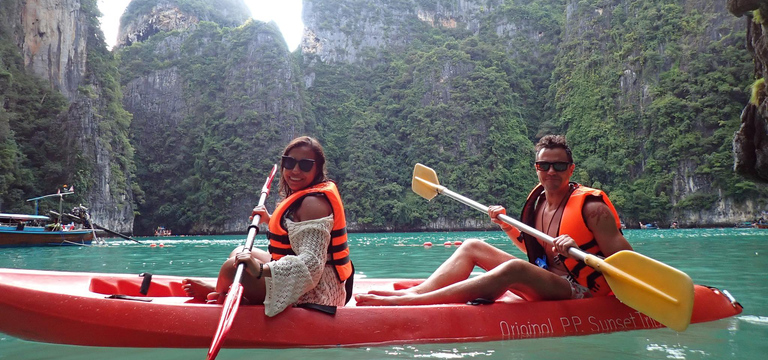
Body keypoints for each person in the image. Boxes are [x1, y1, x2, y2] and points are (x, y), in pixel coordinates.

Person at [356, 134, 631, 306]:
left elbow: (628, 263)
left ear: (570, 169)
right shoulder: (538, 202)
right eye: (543, 165)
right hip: (548, 279)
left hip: (581, 291)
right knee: (472, 245)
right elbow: (534, 251)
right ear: (536, 169)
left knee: (515, 269)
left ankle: (417, 302)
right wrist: (506, 224)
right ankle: (416, 293)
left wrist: (578, 250)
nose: (551, 171)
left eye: (559, 165)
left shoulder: (592, 208)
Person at [182, 136, 353, 316]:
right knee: (240, 252)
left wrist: (261, 270)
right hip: (305, 280)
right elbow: (297, 235)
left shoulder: (313, 203)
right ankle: (229, 292)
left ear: (317, 169)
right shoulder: (305, 198)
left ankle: (221, 293)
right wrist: (269, 219)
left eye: (305, 165)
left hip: (315, 292)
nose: (295, 170)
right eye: (289, 162)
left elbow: (311, 264)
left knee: (229, 268)